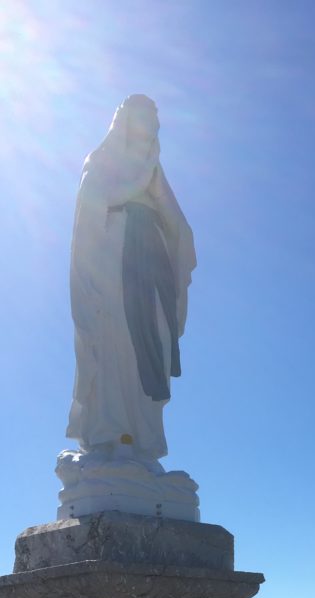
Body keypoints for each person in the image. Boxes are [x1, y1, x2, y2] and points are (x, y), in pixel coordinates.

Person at [66, 95, 196, 464]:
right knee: (116, 338)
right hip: (114, 255)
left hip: (151, 261)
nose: (152, 120)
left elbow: (177, 224)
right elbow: (91, 204)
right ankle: (109, 432)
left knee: (153, 338)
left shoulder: (154, 168)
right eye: (143, 114)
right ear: (125, 121)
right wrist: (135, 186)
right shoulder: (103, 158)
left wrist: (169, 218)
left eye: (155, 115)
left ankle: (143, 437)